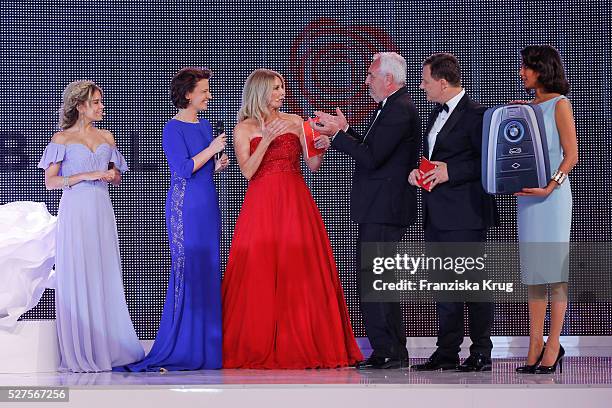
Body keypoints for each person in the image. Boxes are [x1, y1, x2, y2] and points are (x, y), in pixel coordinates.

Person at [222, 68, 363, 369]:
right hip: (261, 202)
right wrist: (266, 140)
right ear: (260, 91)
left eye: (282, 87)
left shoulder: (295, 121)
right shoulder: (244, 127)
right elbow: (247, 172)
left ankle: (302, 338)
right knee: (260, 269)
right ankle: (257, 340)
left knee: (298, 267)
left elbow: (312, 165)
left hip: (294, 198)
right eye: (275, 88)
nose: (282, 93)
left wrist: (321, 146)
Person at [315, 52, 420, 369]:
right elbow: (373, 150)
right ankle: (390, 349)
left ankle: (388, 349)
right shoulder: (389, 107)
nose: (366, 81)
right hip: (379, 208)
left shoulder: (400, 110)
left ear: (388, 79)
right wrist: (345, 132)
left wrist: (336, 136)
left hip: (384, 209)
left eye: (371, 76)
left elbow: (372, 158)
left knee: (376, 281)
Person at [121, 67, 229, 371]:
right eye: (204, 91)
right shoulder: (173, 128)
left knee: (208, 269)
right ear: (187, 94)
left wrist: (216, 163)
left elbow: (201, 168)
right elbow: (182, 169)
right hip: (186, 208)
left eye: (208, 90)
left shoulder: (206, 126)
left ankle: (207, 348)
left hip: (208, 205)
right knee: (188, 269)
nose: (209, 95)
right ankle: (181, 345)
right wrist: (211, 150)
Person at [38, 80, 144, 372]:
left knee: (103, 273)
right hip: (76, 210)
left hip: (101, 209)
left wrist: (110, 175)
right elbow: (50, 182)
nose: (102, 107)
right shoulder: (61, 140)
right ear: (80, 106)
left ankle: (107, 346)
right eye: (96, 102)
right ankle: (83, 349)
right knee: (79, 272)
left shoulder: (107, 136)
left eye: (101, 101)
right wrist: (87, 175)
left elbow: (115, 174)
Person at [407, 53, 498, 372]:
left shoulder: (477, 115)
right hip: (436, 213)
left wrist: (452, 172)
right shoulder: (434, 113)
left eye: (425, 80)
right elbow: (433, 156)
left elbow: (487, 162)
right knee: (444, 288)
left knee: (471, 286)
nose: (422, 86)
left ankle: (481, 352)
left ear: (442, 83)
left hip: (466, 213)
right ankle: (447, 351)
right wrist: (416, 171)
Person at [513, 45, 577, 374]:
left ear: (542, 70)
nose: (522, 72)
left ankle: (554, 343)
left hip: (551, 198)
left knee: (554, 274)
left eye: (527, 67)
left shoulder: (560, 104)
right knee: (534, 274)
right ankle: (534, 342)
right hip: (528, 197)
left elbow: (571, 155)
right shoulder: (529, 107)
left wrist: (551, 186)